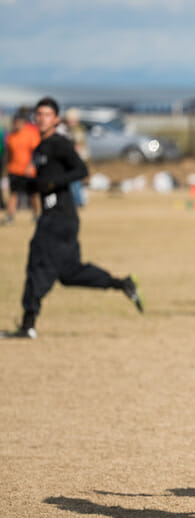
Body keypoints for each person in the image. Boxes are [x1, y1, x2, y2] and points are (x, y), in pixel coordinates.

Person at [1, 97, 143, 340]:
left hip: (58, 219)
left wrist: (52, 183)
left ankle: (28, 325)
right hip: (60, 219)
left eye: (47, 114)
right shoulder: (40, 148)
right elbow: (43, 184)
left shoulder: (59, 144)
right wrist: (25, 184)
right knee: (70, 273)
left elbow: (81, 170)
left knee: (38, 264)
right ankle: (122, 284)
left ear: (56, 119)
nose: (41, 118)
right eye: (39, 114)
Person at [3, 108, 41, 224]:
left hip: (29, 170)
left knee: (33, 194)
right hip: (14, 169)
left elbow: (36, 152)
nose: (17, 124)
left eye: (19, 122)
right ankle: (10, 216)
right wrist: (6, 168)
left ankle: (36, 214)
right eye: (15, 122)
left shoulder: (31, 134)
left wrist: (31, 166)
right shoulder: (10, 136)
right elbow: (8, 154)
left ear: (24, 122)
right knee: (13, 194)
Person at [59, 107, 90, 207]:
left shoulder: (77, 130)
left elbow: (78, 146)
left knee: (75, 180)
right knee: (76, 181)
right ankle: (78, 200)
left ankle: (78, 201)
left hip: (77, 159)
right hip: (80, 158)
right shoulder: (75, 129)